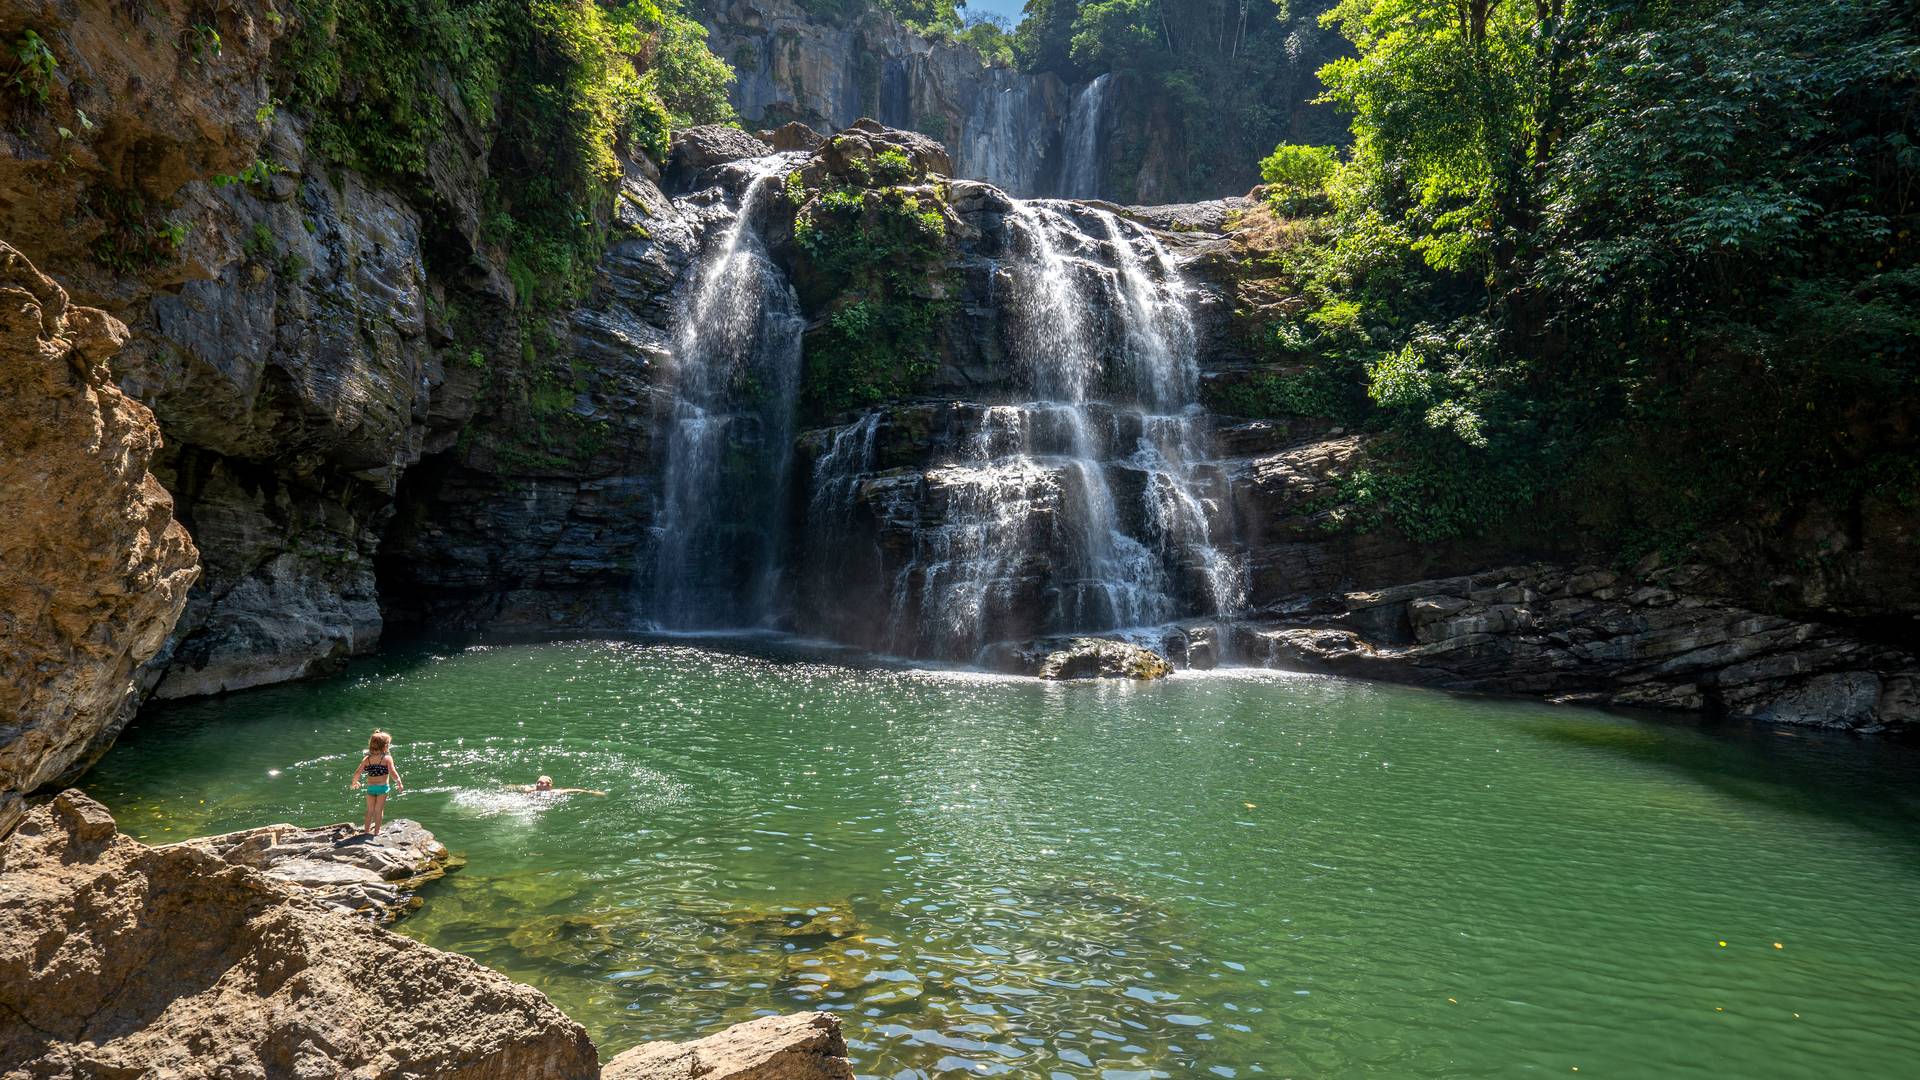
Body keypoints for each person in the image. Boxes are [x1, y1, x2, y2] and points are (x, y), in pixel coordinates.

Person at [349, 730, 404, 835]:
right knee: (379, 810)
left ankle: (366, 831)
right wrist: (399, 783)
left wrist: (354, 783)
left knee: (369, 810)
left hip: (370, 788)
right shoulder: (387, 758)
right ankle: (377, 832)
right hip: (382, 788)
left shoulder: (367, 759)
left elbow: (357, 773)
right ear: (385, 747)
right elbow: (393, 772)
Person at [508, 775, 606, 796]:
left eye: (541, 783)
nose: (538, 784)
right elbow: (519, 787)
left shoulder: (556, 792)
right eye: (537, 782)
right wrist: (509, 787)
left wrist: (593, 792)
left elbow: (575, 790)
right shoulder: (530, 790)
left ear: (549, 785)